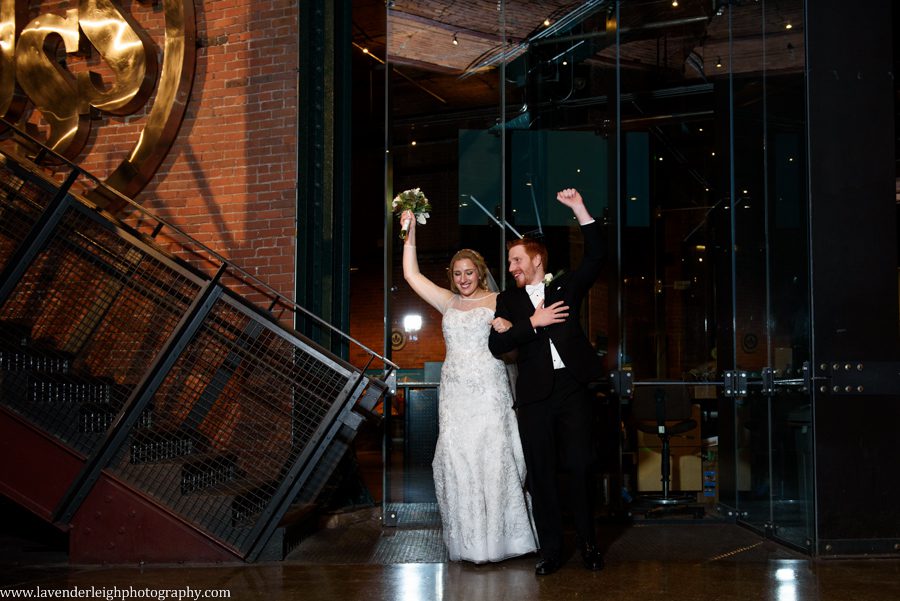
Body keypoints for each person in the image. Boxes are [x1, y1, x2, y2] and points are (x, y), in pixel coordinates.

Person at [400, 210, 538, 564]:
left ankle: (507, 540)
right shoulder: (447, 302)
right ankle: (471, 544)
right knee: (459, 460)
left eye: (469, 272)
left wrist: (510, 324)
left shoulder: (498, 301)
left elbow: (526, 332)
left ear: (480, 273)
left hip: (490, 391)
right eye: (457, 273)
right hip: (455, 395)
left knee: (493, 458)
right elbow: (411, 274)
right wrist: (411, 232)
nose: (463, 278)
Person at [488, 188, 604, 576]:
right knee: (541, 474)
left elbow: (597, 257)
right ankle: (551, 551)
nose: (511, 267)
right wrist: (531, 324)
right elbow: (496, 344)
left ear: (536, 259)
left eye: (516, 260)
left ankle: (589, 544)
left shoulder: (566, 286)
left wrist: (579, 209)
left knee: (581, 466)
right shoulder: (508, 300)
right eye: (509, 262)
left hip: (573, 389)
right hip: (534, 398)